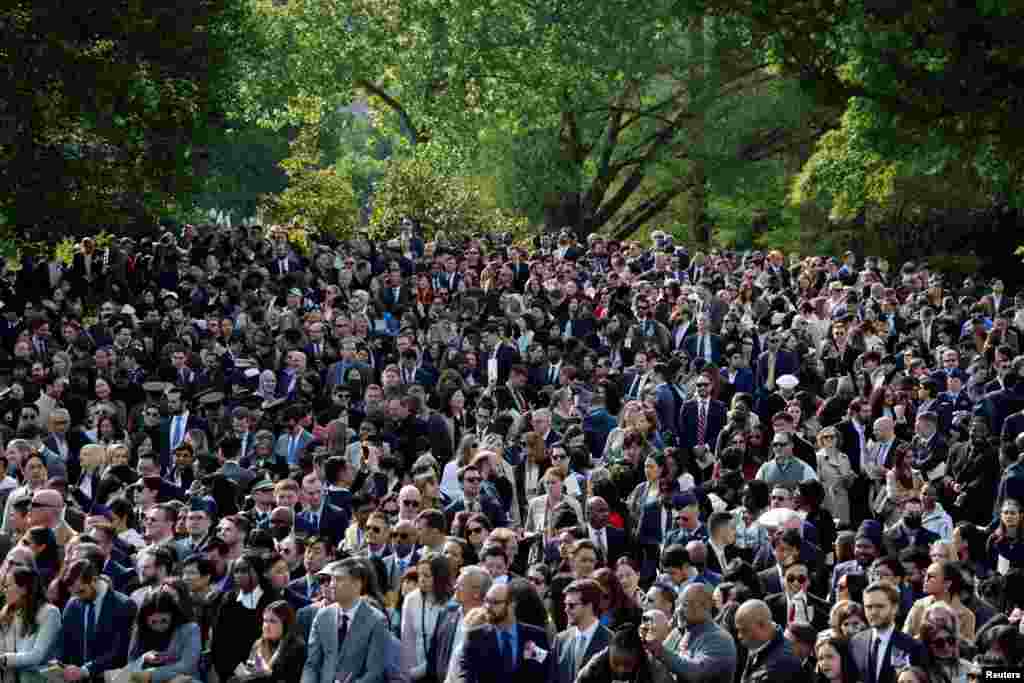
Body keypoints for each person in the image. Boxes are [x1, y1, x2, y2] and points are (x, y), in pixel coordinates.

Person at [302, 557, 389, 683]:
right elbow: (312, 664)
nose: (332, 584)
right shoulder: (322, 616)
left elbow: (374, 672)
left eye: (339, 579)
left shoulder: (377, 621)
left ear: (357, 584)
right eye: (332, 579)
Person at [56, 557, 138, 682]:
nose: (77, 597)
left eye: (81, 591)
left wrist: (85, 671)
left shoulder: (124, 605)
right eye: (73, 593)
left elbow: (119, 652)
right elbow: (64, 644)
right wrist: (60, 668)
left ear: (94, 580)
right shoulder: (73, 604)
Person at [456, 582, 552, 683]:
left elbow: (545, 673)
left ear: (512, 604)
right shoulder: (475, 637)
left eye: (495, 602)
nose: (488, 606)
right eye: (486, 601)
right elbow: (466, 676)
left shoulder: (536, 635)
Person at [643, 583, 737, 683]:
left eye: (685, 605)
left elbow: (697, 673)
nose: (678, 610)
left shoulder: (720, 639)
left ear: (704, 606)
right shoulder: (678, 634)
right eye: (678, 604)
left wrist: (659, 650)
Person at [849, 582, 925, 683]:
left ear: (895, 608)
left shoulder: (912, 647)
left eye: (880, 606)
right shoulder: (856, 642)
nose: (873, 612)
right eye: (869, 607)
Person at [124, 589, 201, 682]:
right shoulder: (140, 630)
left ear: (173, 615)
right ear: (145, 619)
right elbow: (131, 666)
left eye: (164, 621)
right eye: (153, 622)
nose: (159, 626)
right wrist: (143, 658)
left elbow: (187, 666)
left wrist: (152, 675)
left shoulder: (190, 630)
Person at [0, 565, 62, 677]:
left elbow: (37, 656)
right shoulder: (9, 612)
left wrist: (4, 659)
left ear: (23, 589)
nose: (4, 590)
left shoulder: (50, 613)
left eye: (8, 586)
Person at [401, 552, 453, 682]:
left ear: (440, 577)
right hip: (415, 673)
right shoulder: (411, 599)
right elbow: (407, 639)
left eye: (427, 576)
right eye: (419, 575)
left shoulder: (452, 602)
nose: (421, 579)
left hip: (443, 672)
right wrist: (410, 672)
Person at [232, 599, 307, 683]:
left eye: (272, 621)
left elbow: (291, 679)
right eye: (265, 620)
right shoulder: (259, 644)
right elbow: (250, 670)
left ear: (285, 624)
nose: (266, 626)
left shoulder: (296, 647)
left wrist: (266, 674)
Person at [554, 578, 611, 683]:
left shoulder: (610, 642)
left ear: (589, 606)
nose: (566, 609)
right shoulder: (560, 640)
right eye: (565, 604)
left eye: (571, 605)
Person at [576, 624, 674, 683]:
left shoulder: (655, 670)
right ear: (609, 654)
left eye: (627, 664)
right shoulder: (595, 666)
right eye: (616, 663)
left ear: (638, 656)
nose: (621, 670)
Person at [734, 599, 802, 683]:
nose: (739, 636)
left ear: (762, 625)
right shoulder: (760, 645)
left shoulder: (781, 665)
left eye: (744, 630)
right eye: (738, 630)